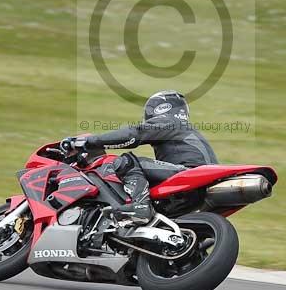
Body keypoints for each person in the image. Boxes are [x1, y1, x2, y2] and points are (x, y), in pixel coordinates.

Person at [61, 90, 218, 226]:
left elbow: (133, 134)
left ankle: (140, 207)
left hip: (187, 174)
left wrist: (88, 142)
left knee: (126, 162)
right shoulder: (185, 130)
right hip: (199, 187)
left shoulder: (170, 123)